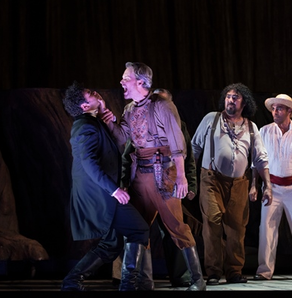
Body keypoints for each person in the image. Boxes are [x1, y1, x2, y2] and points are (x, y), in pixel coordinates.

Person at [101, 62, 206, 291]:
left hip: (163, 174)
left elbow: (178, 144)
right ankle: (136, 282)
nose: (121, 82)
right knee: (136, 228)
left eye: (125, 78)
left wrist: (181, 178)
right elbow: (122, 140)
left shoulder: (163, 106)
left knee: (177, 227)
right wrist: (108, 120)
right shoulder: (129, 109)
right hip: (141, 174)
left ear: (140, 82)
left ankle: (198, 281)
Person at [61, 82, 149, 291]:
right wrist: (114, 190)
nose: (96, 93)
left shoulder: (95, 122)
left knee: (111, 244)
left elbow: (114, 151)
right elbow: (88, 163)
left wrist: (106, 118)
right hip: (100, 195)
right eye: (91, 94)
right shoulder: (84, 126)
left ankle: (72, 281)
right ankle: (128, 285)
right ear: (84, 106)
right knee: (139, 229)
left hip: (105, 192)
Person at [191, 83, 272, 285]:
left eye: (235, 97)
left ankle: (234, 271)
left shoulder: (251, 128)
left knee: (237, 228)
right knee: (213, 221)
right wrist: (189, 179)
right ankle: (213, 272)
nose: (230, 100)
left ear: (244, 102)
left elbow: (261, 159)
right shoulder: (212, 119)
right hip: (211, 179)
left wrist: (267, 186)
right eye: (228, 96)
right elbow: (194, 148)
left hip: (239, 183)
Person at [251, 94, 292, 281]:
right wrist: (255, 185)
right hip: (271, 188)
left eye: (279, 108)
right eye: (273, 108)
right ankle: (264, 270)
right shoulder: (264, 131)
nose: (275, 111)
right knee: (267, 230)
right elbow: (257, 162)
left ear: (289, 111)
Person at [152, 87, 201, 287]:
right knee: (139, 230)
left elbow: (188, 157)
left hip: (169, 184)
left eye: (164, 103)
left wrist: (190, 183)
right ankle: (135, 277)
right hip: (146, 182)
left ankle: (181, 276)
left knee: (175, 230)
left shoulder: (179, 125)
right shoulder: (144, 123)